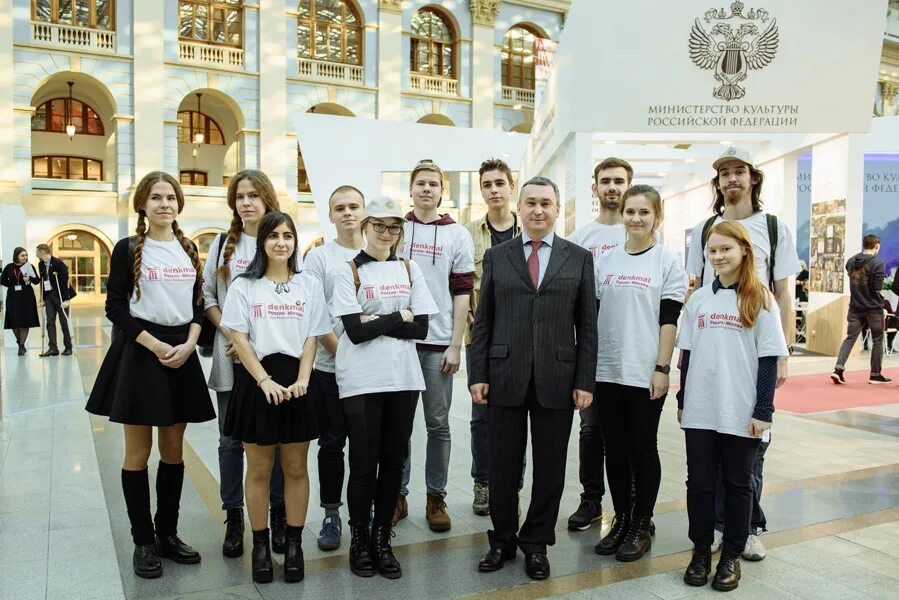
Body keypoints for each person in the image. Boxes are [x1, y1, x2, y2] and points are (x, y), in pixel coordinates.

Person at [86, 171, 215, 579]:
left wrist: (191, 341)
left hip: (182, 350)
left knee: (174, 452)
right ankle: (143, 540)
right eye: (156, 198)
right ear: (142, 205)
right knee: (138, 453)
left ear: (179, 204)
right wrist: (156, 346)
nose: (165, 204)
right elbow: (116, 307)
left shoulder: (188, 248)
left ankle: (167, 534)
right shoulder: (127, 249)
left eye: (171, 198)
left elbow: (198, 305)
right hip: (143, 354)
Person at [470, 176, 597, 581]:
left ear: (558, 209)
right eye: (531, 203)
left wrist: (585, 381)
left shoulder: (578, 258)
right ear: (518, 208)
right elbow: (484, 320)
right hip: (504, 374)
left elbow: (587, 326)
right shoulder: (498, 256)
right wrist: (478, 374)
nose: (538, 210)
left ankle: (537, 542)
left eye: (546, 203)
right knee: (502, 467)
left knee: (550, 468)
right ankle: (503, 539)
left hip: (557, 378)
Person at [685, 146, 801, 560]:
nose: (731, 179)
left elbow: (784, 291)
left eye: (739, 172)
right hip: (716, 350)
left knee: (752, 444)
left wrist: (783, 351)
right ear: (717, 183)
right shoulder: (704, 230)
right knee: (713, 442)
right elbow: (696, 288)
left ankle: (749, 526)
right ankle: (718, 524)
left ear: (753, 178)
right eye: (724, 174)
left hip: (756, 351)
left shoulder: (772, 227)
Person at [220, 210, 331, 584]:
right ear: (262, 242)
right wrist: (264, 380)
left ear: (294, 242)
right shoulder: (244, 285)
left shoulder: (308, 284)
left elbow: (313, 335)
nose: (281, 242)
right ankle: (261, 546)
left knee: (296, 467)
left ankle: (296, 545)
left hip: (298, 381)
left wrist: (303, 378)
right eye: (273, 236)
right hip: (257, 381)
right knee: (260, 468)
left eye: (287, 236)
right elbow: (239, 338)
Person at [331, 195, 438, 579]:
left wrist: (377, 318)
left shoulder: (410, 269)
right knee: (362, 462)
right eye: (379, 225)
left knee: (394, 460)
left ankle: (382, 538)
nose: (386, 233)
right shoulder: (347, 271)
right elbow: (356, 333)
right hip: (360, 379)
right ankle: (359, 539)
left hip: (403, 378)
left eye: (394, 227)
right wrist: (398, 315)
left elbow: (421, 328)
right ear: (365, 227)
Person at [677, 221, 788, 592]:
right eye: (712, 251)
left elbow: (769, 359)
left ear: (744, 250)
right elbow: (687, 355)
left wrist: (763, 410)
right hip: (700, 409)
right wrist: (682, 400)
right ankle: (699, 551)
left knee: (739, 483)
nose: (718, 256)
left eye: (726, 249)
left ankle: (731, 556)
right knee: (700, 483)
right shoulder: (699, 300)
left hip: (741, 411)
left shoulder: (760, 298)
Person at [593, 185, 686, 563]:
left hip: (645, 372)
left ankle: (642, 523)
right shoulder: (607, 260)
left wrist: (662, 368)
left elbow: (669, 320)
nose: (635, 218)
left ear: (656, 217)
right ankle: (622, 518)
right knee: (613, 449)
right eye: (630, 211)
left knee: (642, 450)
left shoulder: (666, 261)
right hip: (607, 370)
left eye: (644, 212)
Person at [201, 170, 285, 559]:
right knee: (230, 439)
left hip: (274, 356)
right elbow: (208, 298)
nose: (246, 202)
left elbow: (291, 297)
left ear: (267, 198)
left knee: (278, 439)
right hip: (232, 356)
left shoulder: (281, 237)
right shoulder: (222, 244)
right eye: (240, 197)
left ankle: (280, 514)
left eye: (253, 195)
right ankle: (234, 516)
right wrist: (235, 335)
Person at [396, 159, 475, 532]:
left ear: (442, 191)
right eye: (420, 183)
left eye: (433, 184)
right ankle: (398, 493)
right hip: (398, 342)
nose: (426, 189)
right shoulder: (395, 229)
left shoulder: (457, 234)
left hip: (438, 342)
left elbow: (462, 293)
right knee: (399, 425)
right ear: (410, 190)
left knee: (438, 424)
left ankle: (436, 496)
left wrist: (456, 344)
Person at [565, 157, 632, 531]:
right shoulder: (580, 238)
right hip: (590, 351)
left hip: (630, 350)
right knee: (591, 431)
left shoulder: (639, 232)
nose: (612, 187)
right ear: (595, 187)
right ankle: (591, 500)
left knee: (631, 434)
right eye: (605, 180)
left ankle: (633, 506)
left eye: (619, 181)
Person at [303, 185, 366, 550]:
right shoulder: (318, 258)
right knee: (331, 443)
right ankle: (331, 514)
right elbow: (314, 313)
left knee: (366, 444)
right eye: (339, 208)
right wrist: (342, 351)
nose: (347, 213)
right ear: (330, 215)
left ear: (363, 211)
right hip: (329, 368)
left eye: (353, 206)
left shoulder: (378, 253)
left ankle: (365, 510)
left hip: (369, 372)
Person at [464, 157, 521, 517]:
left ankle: (512, 484)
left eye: (500, 183)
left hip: (519, 337)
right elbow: (459, 283)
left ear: (511, 186)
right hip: (480, 339)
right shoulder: (468, 233)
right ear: (481, 190)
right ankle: (483, 483)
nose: (494, 190)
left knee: (518, 411)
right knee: (481, 414)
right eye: (487, 184)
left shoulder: (528, 230)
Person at [831, 234, 891, 385]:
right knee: (877, 340)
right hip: (873, 308)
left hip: (855, 306)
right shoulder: (878, 263)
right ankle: (875, 374)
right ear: (876, 246)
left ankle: (838, 370)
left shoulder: (851, 261)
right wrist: (883, 305)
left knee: (850, 338)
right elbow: (877, 289)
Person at [36, 242, 73, 356]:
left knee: (64, 322)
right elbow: (42, 280)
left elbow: (64, 281)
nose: (36, 254)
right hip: (49, 297)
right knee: (50, 322)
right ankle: (53, 348)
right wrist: (41, 298)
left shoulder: (58, 263)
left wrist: (66, 299)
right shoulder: (41, 264)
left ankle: (68, 347)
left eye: (37, 252)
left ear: (42, 252)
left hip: (60, 296)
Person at [2, 247, 40, 355]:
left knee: (25, 321)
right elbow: (3, 280)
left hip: (26, 296)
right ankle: (20, 342)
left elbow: (37, 281)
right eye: (22, 255)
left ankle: (21, 346)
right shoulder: (9, 267)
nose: (25, 257)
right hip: (13, 297)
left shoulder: (29, 266)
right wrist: (12, 286)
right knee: (14, 322)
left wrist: (30, 279)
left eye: (26, 255)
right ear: (16, 256)